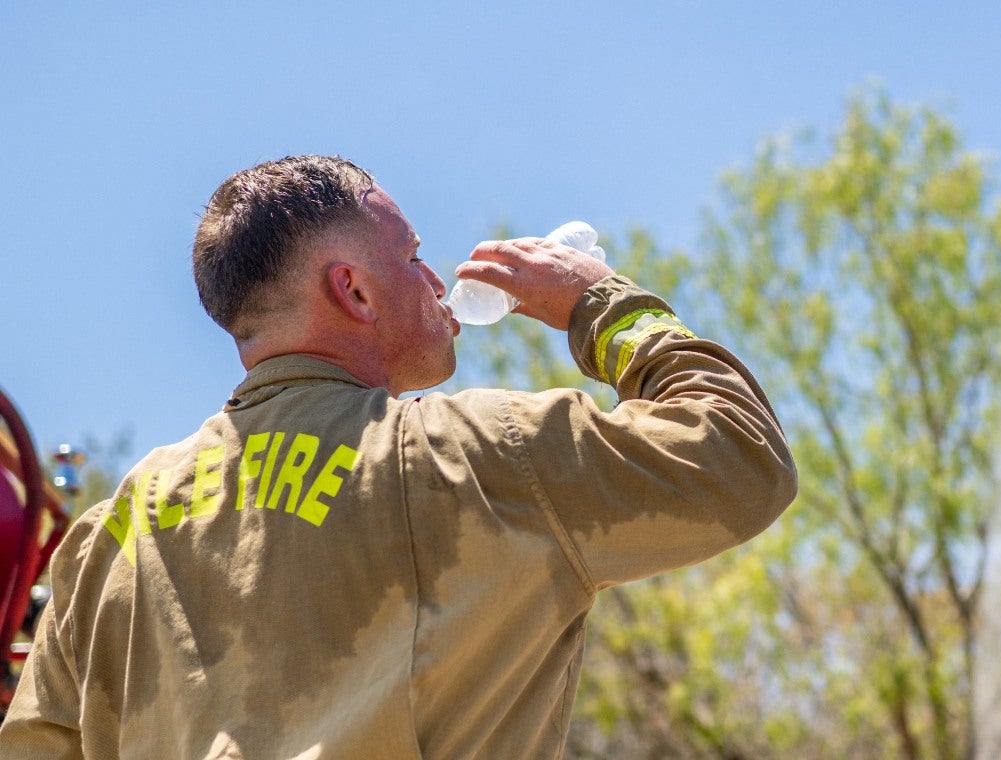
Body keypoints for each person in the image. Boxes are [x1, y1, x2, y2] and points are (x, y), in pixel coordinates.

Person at [0, 155, 797, 758]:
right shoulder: (483, 459)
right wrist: (601, 302)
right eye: (413, 255)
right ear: (354, 291)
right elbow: (739, 454)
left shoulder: (110, 536)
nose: (434, 277)